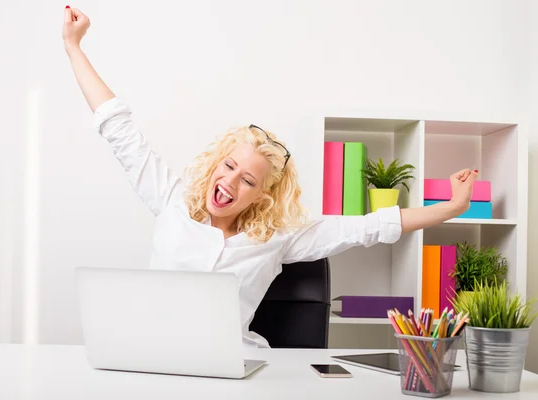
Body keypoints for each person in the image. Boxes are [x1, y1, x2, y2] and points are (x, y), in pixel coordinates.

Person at [62, 6, 478, 348]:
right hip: (152, 357)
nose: (230, 182)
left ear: (261, 196)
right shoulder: (170, 202)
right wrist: (73, 46)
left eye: (247, 180)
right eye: (229, 167)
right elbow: (120, 130)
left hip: (236, 368)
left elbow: (369, 227)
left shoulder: (277, 237)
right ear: (215, 165)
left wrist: (453, 207)